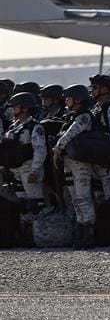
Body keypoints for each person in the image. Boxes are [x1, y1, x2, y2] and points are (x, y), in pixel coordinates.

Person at [52, 85, 96, 249]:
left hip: (80, 163)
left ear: (77, 99)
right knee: (75, 199)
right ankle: (81, 233)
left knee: (83, 198)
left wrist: (57, 150)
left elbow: (70, 134)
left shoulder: (84, 117)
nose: (66, 100)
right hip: (70, 162)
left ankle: (88, 235)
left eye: (69, 97)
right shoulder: (73, 116)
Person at [2, 93, 48, 226]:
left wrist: (34, 171)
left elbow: (40, 150)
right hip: (16, 170)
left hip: (29, 168)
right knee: (22, 203)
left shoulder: (34, 127)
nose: (13, 109)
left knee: (35, 202)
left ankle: (40, 231)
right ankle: (27, 234)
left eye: (16, 106)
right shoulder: (13, 127)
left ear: (25, 108)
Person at [88, 74, 110, 202]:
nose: (92, 90)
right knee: (98, 196)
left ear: (105, 89)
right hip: (96, 159)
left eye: (95, 87)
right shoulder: (96, 109)